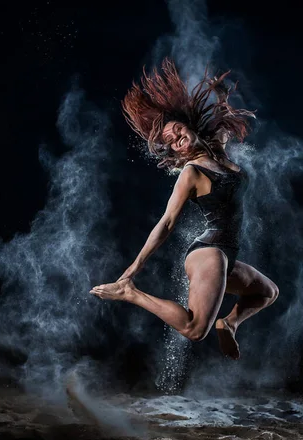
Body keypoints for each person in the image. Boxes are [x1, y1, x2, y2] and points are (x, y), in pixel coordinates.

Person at [89, 58, 279, 359]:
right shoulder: (191, 173)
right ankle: (131, 293)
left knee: (267, 292)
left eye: (177, 129)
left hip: (227, 252)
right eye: (172, 142)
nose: (177, 137)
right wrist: (133, 269)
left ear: (189, 126)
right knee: (194, 329)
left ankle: (229, 324)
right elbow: (166, 223)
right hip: (209, 251)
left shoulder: (217, 149)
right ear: (176, 151)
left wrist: (220, 95)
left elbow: (224, 121)